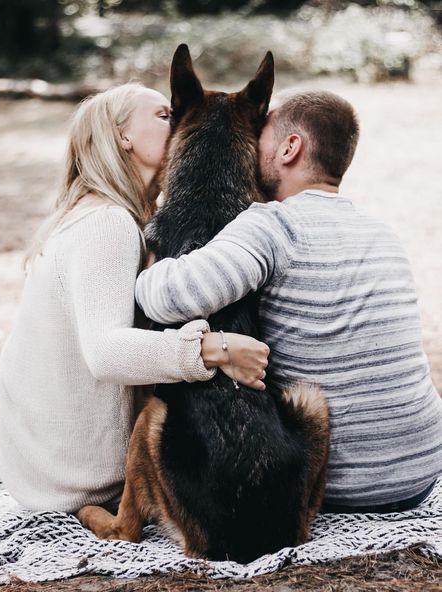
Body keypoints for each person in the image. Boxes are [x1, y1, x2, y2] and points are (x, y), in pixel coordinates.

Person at [135, 89, 442, 513]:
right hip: (421, 473)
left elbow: (171, 299)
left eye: (258, 135)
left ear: (290, 147)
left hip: (337, 489)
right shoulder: (383, 231)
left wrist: (149, 264)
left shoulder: (274, 225)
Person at [0, 83, 269, 512]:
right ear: (123, 137)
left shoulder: (100, 213)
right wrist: (217, 349)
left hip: (35, 457)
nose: (181, 120)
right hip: (77, 474)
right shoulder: (108, 224)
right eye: (163, 114)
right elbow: (105, 352)